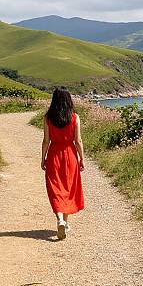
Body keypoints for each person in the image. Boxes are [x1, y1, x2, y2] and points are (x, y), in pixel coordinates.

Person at [41, 87, 85, 240]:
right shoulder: (75, 117)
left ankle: (59, 219)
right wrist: (82, 158)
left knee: (55, 188)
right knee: (68, 188)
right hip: (70, 155)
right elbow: (78, 141)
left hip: (54, 154)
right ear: (68, 100)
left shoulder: (47, 118)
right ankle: (64, 221)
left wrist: (43, 158)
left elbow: (46, 140)